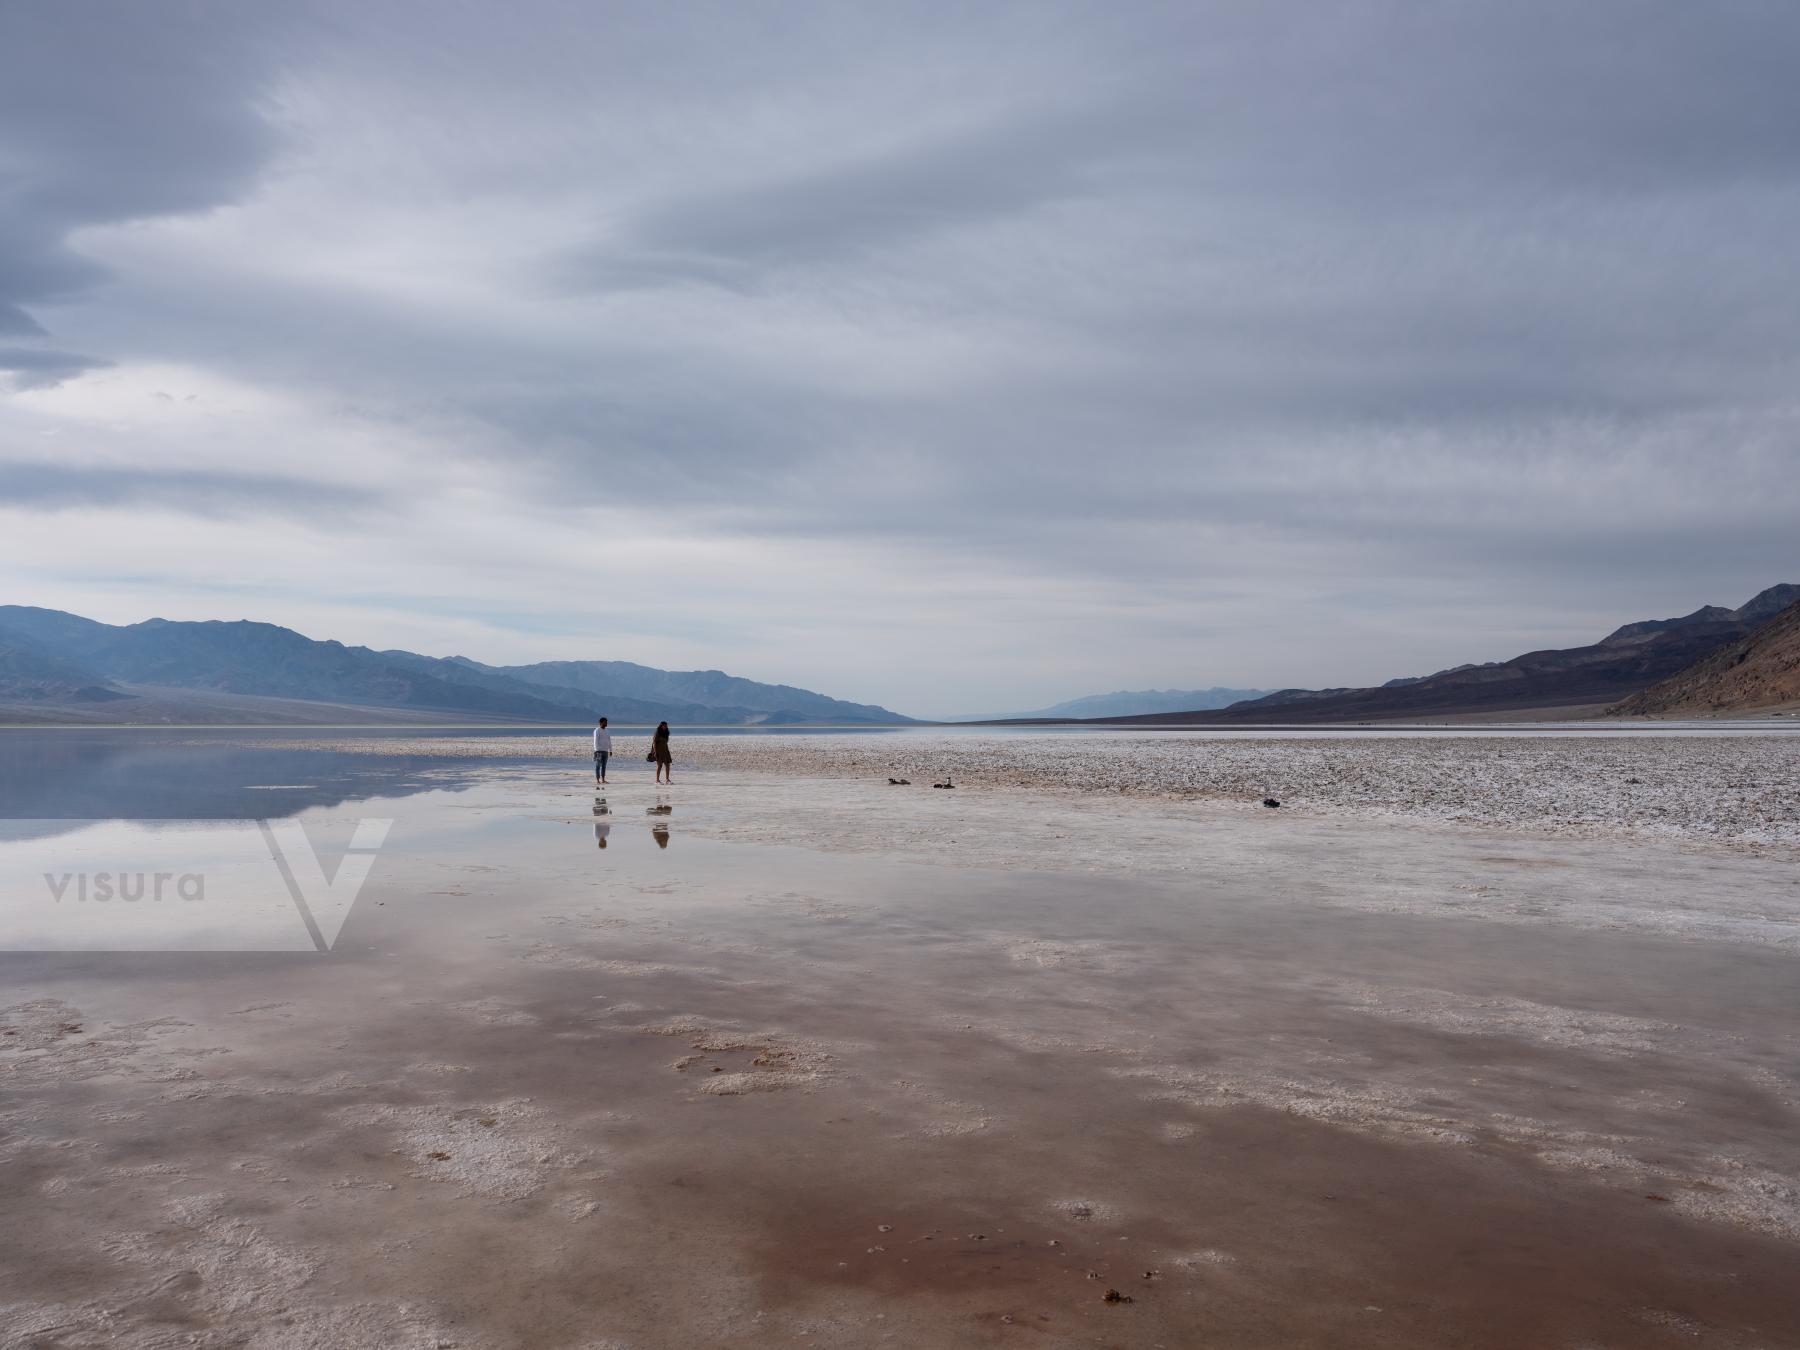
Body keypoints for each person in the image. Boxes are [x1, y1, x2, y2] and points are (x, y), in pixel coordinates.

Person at [592, 716, 612, 784]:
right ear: (601, 723)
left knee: (604, 766)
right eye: (605, 722)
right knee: (598, 765)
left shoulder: (607, 731)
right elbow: (595, 741)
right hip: (599, 751)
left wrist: (610, 750)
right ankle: (597, 780)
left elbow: (609, 740)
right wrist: (596, 750)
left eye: (607, 722)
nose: (606, 723)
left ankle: (603, 779)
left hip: (605, 751)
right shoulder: (597, 730)